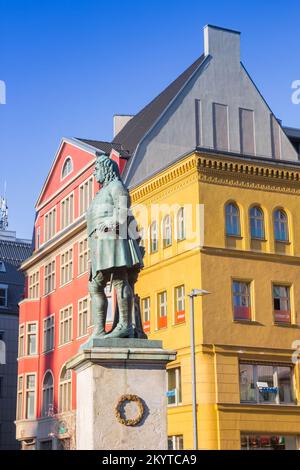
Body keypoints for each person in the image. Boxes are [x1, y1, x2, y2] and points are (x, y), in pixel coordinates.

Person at [86, 152, 143, 340]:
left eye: (96, 170)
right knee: (95, 285)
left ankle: (125, 325)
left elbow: (123, 212)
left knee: (120, 279)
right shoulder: (100, 193)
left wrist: (109, 222)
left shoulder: (117, 187)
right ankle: (99, 330)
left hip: (115, 237)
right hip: (99, 243)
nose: (95, 174)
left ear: (105, 169)